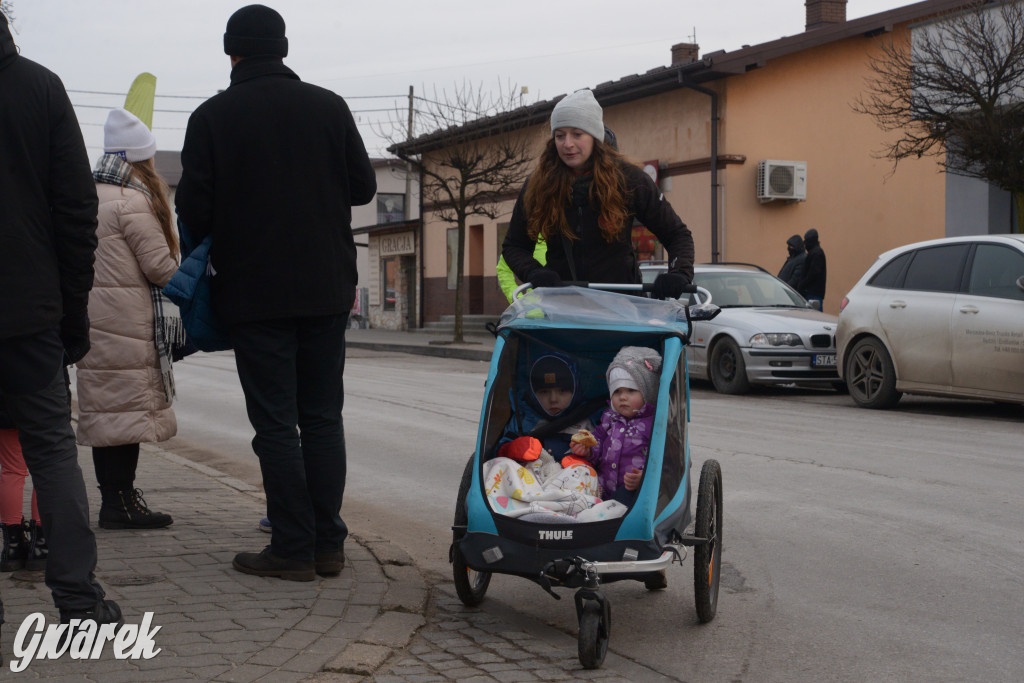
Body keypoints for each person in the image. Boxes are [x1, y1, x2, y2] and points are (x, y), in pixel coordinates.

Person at [176, 4, 377, 582]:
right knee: (321, 417)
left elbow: (192, 206)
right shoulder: (329, 106)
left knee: (275, 424)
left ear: (231, 51)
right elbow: (363, 186)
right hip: (326, 287)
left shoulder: (213, 116)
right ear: (283, 49)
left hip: (254, 292)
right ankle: (328, 545)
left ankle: (292, 547)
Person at [0, 10, 122, 629]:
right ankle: (78, 601)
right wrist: (71, 310)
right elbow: (77, 211)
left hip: (33, 307)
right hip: (27, 309)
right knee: (51, 452)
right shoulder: (40, 88)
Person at [75, 108, 180, 530]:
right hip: (129, 325)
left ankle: (114, 500)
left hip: (91, 321)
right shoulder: (132, 200)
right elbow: (159, 267)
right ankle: (122, 505)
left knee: (106, 415)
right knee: (128, 416)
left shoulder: (86, 193)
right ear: (141, 158)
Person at [501, 89, 694, 298]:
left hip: (622, 306)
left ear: (594, 136)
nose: (567, 144)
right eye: (560, 135)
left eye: (577, 134)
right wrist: (534, 271)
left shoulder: (629, 179)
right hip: (562, 309)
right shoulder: (538, 184)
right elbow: (514, 246)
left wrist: (678, 274)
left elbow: (677, 235)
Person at [570, 346, 662, 507]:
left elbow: (664, 460)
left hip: (636, 493)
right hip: (603, 488)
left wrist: (646, 478)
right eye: (617, 391)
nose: (623, 397)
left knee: (618, 506)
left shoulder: (653, 424)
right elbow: (597, 442)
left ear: (648, 392)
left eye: (631, 390)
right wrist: (589, 450)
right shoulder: (609, 418)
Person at [497, 353, 595, 463]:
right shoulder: (524, 419)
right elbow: (500, 450)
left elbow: (602, 456)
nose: (553, 399)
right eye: (544, 392)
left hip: (571, 476)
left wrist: (588, 454)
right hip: (528, 476)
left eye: (561, 391)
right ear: (533, 394)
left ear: (575, 392)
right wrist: (512, 448)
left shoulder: (586, 422)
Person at [0, 411, 47, 572]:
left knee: (11, 470)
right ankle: (41, 545)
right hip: (42, 405)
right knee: (45, 468)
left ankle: (12, 547)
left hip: (5, 404)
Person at [797, 228, 827, 309]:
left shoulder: (816, 253)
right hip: (812, 293)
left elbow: (813, 273)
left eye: (807, 241)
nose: (805, 243)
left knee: (814, 317)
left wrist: (802, 284)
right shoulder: (814, 252)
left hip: (813, 293)